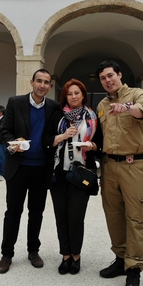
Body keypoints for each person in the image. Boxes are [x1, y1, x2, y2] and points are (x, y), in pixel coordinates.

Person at [93, 60, 143, 286]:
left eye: (111, 75)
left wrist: (127, 108)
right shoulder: (101, 105)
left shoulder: (137, 94)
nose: (107, 80)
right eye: (103, 78)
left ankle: (134, 271)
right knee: (114, 215)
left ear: (119, 75)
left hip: (134, 164)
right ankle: (120, 259)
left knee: (137, 217)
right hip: (109, 166)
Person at [0, 69, 60, 274]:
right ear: (32, 82)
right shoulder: (15, 102)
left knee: (36, 212)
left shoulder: (53, 107)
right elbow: (5, 131)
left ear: (50, 86)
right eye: (39, 81)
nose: (42, 85)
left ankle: (33, 251)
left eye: (46, 82)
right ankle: (7, 254)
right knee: (13, 212)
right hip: (18, 167)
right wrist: (13, 143)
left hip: (41, 168)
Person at [46, 78, 98, 275]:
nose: (74, 96)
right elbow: (46, 140)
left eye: (77, 93)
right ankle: (65, 255)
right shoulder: (58, 115)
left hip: (81, 172)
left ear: (83, 95)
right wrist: (63, 136)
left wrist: (92, 146)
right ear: (65, 97)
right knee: (61, 216)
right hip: (58, 173)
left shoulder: (91, 116)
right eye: (70, 94)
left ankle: (76, 255)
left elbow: (100, 143)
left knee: (75, 217)